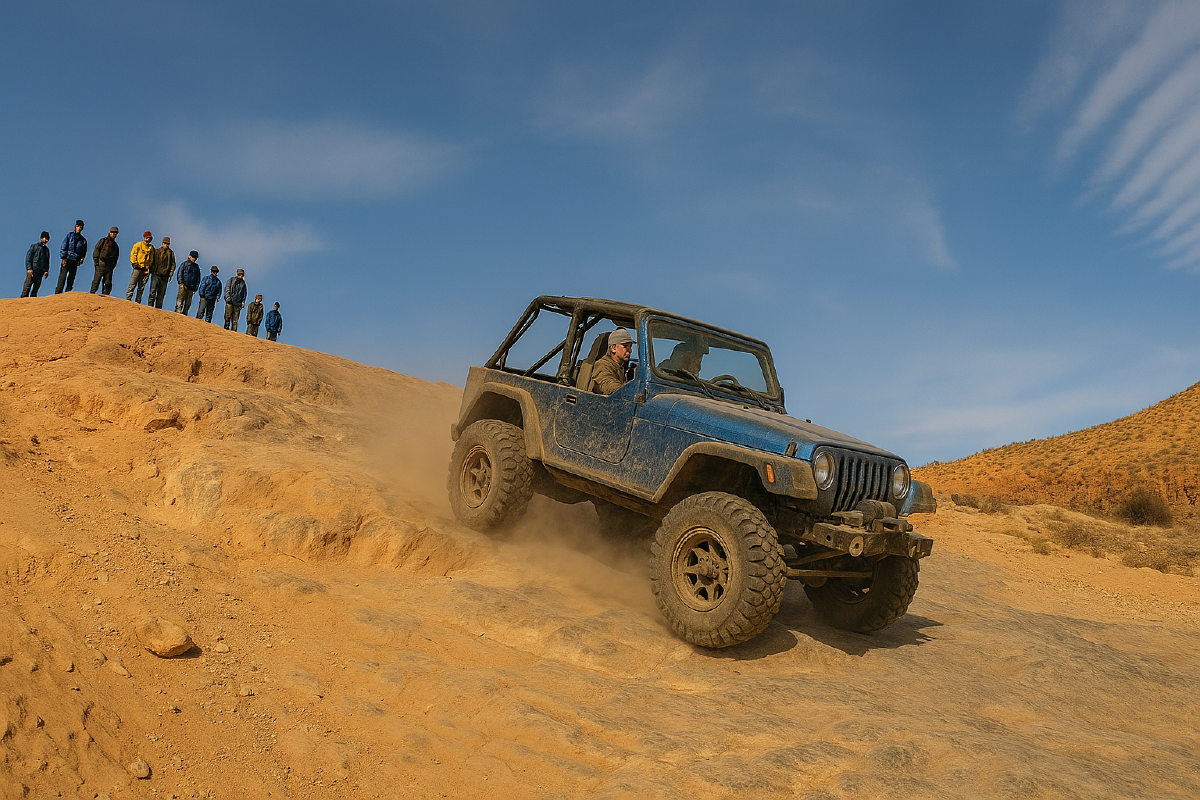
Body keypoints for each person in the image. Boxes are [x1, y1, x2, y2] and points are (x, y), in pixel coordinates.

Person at [590, 327, 635, 395]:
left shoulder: (619, 367)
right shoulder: (603, 365)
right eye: (625, 346)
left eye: (630, 347)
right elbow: (607, 384)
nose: (630, 350)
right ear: (614, 348)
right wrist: (629, 393)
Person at [56, 220, 87, 294]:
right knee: (62, 277)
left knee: (71, 278)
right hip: (67, 259)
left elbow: (83, 252)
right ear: (75, 227)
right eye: (77, 226)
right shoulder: (69, 236)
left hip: (75, 261)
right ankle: (58, 293)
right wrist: (63, 258)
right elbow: (64, 246)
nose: (79, 228)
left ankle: (68, 293)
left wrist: (81, 259)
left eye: (80, 227)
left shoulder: (83, 240)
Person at [146, 236, 176, 309]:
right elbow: (152, 261)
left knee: (161, 294)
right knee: (152, 292)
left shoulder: (171, 253)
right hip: (156, 274)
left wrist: (170, 275)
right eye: (165, 243)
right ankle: (150, 307)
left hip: (165, 276)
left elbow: (173, 264)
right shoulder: (157, 251)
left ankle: (158, 309)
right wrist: (151, 270)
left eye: (167, 244)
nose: (166, 245)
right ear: (162, 243)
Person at [90, 227, 120, 295]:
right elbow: (96, 251)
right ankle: (91, 295)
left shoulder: (115, 246)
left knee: (107, 283)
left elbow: (116, 257)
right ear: (109, 232)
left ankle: (106, 298)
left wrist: (112, 266)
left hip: (109, 266)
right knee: (96, 281)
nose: (113, 234)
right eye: (112, 232)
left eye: (115, 233)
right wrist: (96, 263)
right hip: (101, 263)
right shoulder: (103, 241)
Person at [127, 231, 154, 303]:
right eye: (147, 237)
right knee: (132, 284)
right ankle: (128, 299)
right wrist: (134, 264)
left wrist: (149, 268)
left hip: (145, 269)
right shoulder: (138, 245)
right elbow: (133, 255)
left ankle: (138, 301)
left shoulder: (151, 248)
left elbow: (151, 259)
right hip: (137, 268)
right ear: (144, 237)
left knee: (141, 287)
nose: (149, 239)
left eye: (150, 238)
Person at [22, 232, 51, 297]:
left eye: (47, 239)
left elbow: (47, 261)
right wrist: (29, 268)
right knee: (27, 287)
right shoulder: (34, 247)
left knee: (36, 289)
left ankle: (32, 303)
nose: (46, 240)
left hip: (40, 272)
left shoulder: (46, 250)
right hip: (32, 271)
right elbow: (28, 257)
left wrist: (46, 270)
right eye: (45, 238)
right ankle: (22, 302)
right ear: (41, 238)